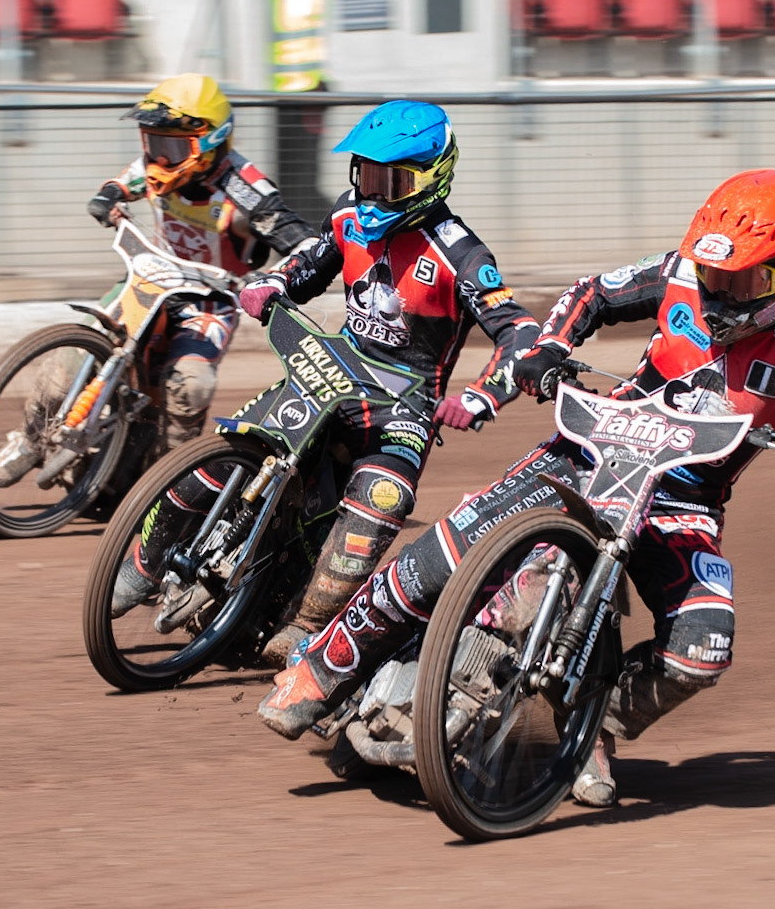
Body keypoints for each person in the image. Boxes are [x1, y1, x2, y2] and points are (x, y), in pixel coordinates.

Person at [256, 169, 775, 808]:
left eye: (741, 281)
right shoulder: (677, 272)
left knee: (704, 646)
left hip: (683, 502)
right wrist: (548, 349)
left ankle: (589, 727)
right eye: (712, 276)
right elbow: (592, 293)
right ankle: (322, 670)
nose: (718, 292)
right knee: (452, 546)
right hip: (587, 450)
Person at [111, 101, 538, 665]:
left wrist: (482, 395)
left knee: (382, 501)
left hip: (402, 405)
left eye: (393, 181)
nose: (374, 193)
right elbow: (310, 262)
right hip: (331, 366)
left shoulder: (463, 254)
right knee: (229, 447)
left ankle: (308, 626)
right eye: (366, 175)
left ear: (432, 178)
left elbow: (521, 332)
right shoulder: (348, 216)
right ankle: (143, 561)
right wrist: (273, 282)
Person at [0, 73, 315, 489]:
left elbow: (304, 242)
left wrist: (277, 276)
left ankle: (163, 484)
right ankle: (31, 438)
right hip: (149, 280)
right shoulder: (153, 167)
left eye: (172, 146)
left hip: (208, 302)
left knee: (190, 386)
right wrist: (107, 200)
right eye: (153, 142)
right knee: (72, 352)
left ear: (210, 142)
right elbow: (121, 184)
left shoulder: (247, 189)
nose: (159, 156)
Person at [265, 0, 333, 223]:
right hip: (279, 92)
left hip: (311, 90)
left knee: (306, 174)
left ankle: (320, 236)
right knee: (286, 175)